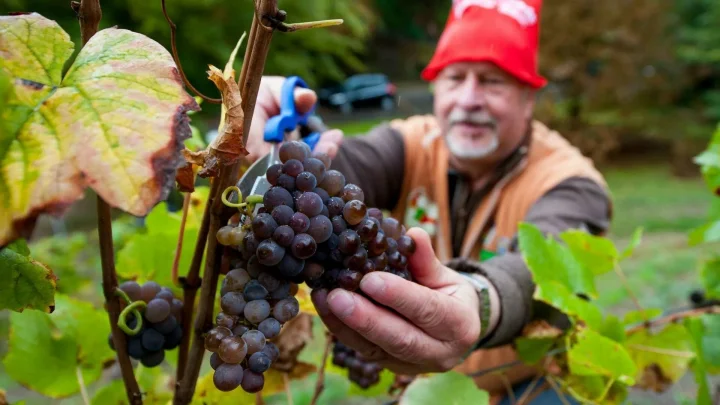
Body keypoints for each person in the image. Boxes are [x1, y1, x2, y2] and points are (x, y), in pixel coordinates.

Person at [244, 0, 611, 403]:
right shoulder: (412, 143)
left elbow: (551, 264)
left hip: (526, 387)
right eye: (455, 78)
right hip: (425, 392)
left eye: (493, 81)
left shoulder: (570, 181)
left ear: (528, 99)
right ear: (436, 89)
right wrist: (269, 150)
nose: (469, 99)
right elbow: (339, 176)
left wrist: (480, 300)